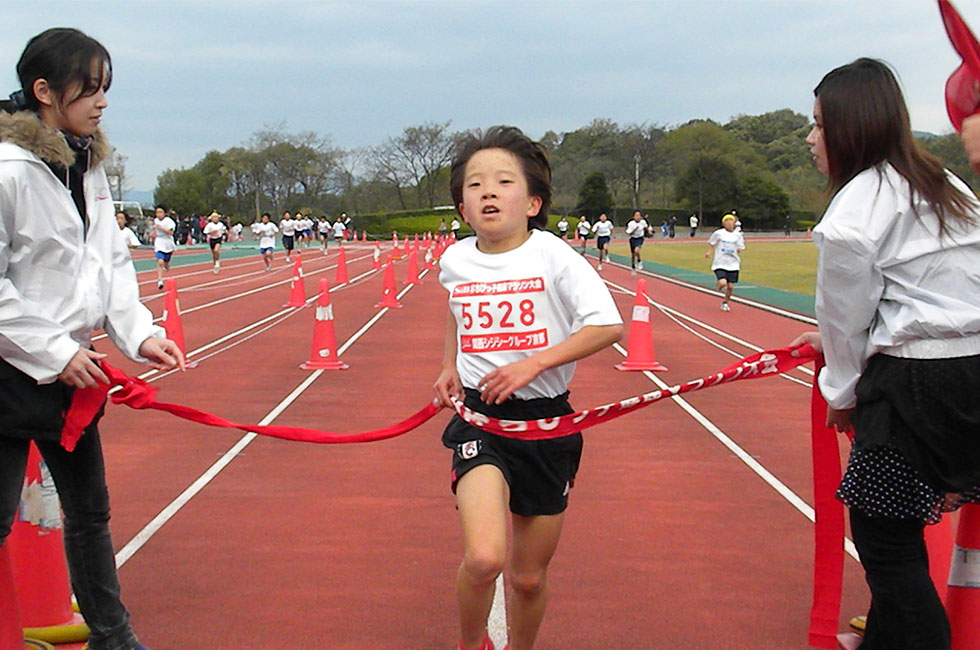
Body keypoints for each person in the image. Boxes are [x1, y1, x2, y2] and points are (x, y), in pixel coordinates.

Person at [0, 28, 186, 650]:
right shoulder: (8, 168)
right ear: (44, 90)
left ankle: (114, 636)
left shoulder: (89, 163)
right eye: (91, 86)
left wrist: (141, 334)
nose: (103, 100)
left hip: (72, 373)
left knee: (90, 515)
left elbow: (108, 262)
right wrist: (54, 351)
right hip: (11, 371)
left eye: (108, 87)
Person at [796, 58, 980, 650]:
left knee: (887, 546)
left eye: (819, 124)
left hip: (917, 387)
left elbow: (846, 321)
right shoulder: (946, 184)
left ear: (850, 128)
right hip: (971, 369)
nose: (810, 138)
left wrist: (841, 397)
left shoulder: (853, 212)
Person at [433, 126, 622, 650]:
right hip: (480, 423)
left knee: (527, 578)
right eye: (474, 185)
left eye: (502, 182)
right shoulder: (455, 261)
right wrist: (449, 364)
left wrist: (532, 365)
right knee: (485, 557)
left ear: (533, 201)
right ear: (463, 208)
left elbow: (607, 326)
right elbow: (455, 310)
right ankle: (471, 644)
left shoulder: (556, 257)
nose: (488, 191)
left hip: (546, 426)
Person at [705, 213, 745, 311]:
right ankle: (720, 284)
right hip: (720, 262)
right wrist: (709, 252)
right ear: (723, 224)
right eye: (726, 221)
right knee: (723, 283)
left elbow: (741, 246)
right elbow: (711, 242)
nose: (729, 223)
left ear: (734, 223)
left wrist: (739, 249)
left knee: (730, 287)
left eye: (731, 220)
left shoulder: (738, 235)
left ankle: (725, 302)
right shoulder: (719, 233)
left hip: (733, 263)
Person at [152, 204, 175, 289]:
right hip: (159, 242)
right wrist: (153, 232)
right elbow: (155, 229)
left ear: (165, 213)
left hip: (168, 242)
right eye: (157, 212)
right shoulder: (155, 220)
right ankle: (159, 280)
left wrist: (161, 229)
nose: (158, 214)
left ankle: (167, 263)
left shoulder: (169, 221)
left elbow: (171, 233)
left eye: (160, 212)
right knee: (160, 261)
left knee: (166, 262)